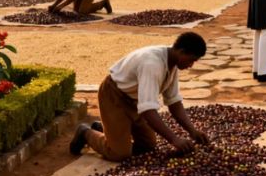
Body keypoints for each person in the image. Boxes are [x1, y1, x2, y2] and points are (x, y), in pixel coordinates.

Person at [69, 32, 211, 162]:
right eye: (191, 60)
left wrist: (193, 131)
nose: (191, 65)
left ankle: (104, 128)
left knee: (147, 145)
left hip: (134, 100)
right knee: (119, 154)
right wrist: (174, 139)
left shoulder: (172, 61)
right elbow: (147, 110)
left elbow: (174, 102)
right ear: (181, 51)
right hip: (114, 96)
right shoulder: (152, 64)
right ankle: (85, 133)